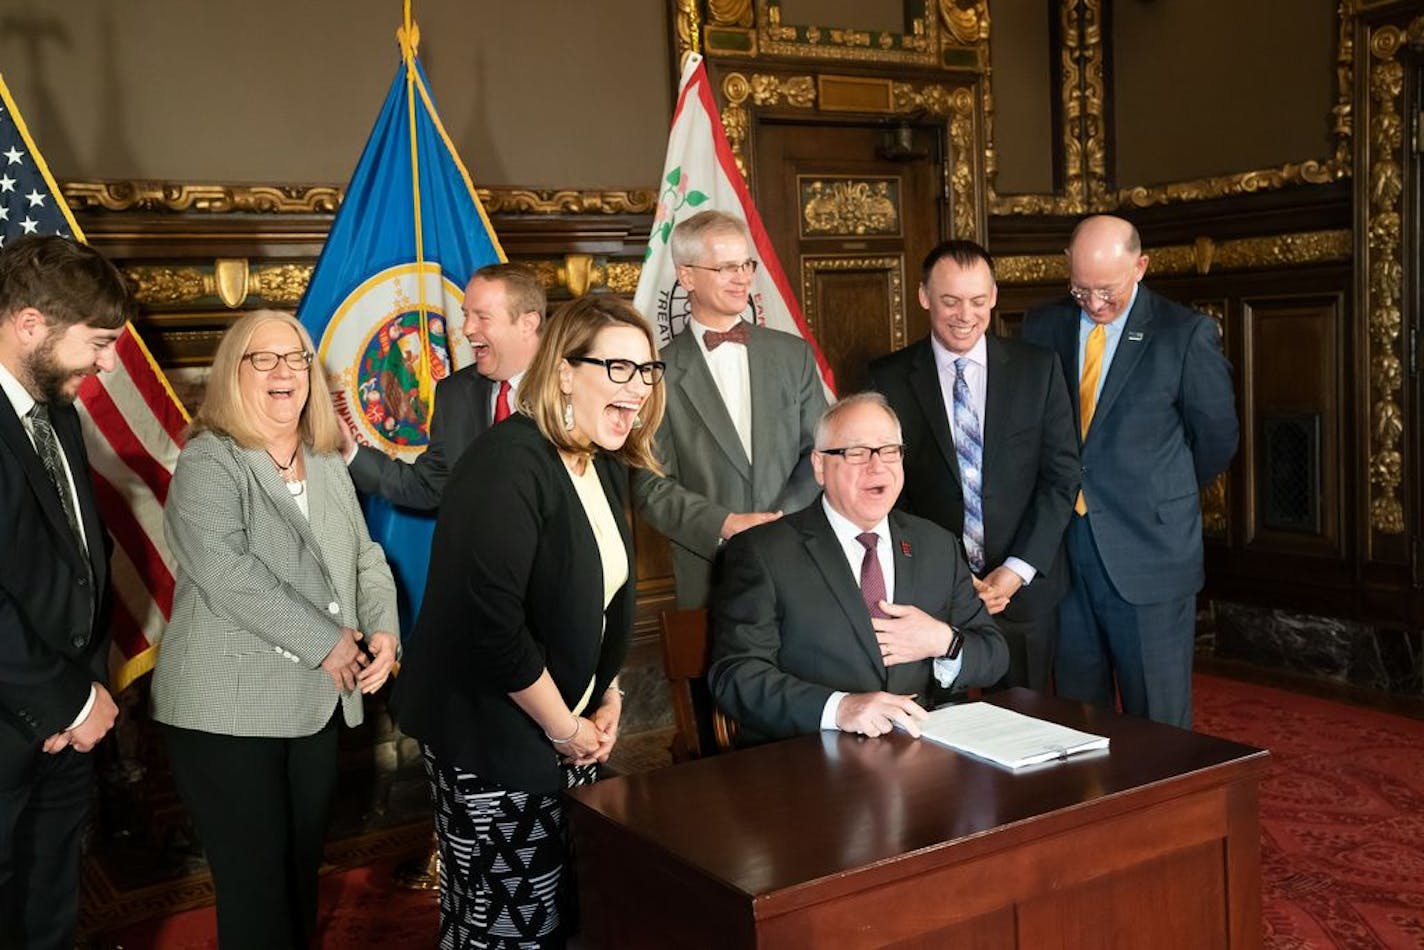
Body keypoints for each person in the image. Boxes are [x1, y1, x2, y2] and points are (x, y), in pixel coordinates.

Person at [395, 294, 666, 948]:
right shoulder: (508, 463)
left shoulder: (600, 461)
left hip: (563, 727)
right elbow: (494, 628)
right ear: (565, 371)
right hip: (491, 735)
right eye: (619, 369)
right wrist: (565, 726)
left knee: (561, 914)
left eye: (648, 371)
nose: (638, 389)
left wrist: (609, 697)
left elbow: (601, 602)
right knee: (507, 927)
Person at [152, 309, 400, 949]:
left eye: (296, 358)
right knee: (256, 887)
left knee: (296, 876)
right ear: (235, 372)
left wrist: (385, 632)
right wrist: (329, 642)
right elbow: (227, 572)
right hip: (225, 712)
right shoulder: (211, 460)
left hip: (313, 708)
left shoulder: (324, 460)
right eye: (265, 358)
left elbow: (365, 557)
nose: (285, 371)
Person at [1022, 215, 1238, 729]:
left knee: (1157, 722)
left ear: (1140, 267)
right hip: (1065, 551)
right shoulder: (1041, 326)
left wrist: (1159, 494)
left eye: (1107, 292)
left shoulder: (1184, 334)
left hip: (1149, 551)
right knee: (1077, 717)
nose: (1094, 305)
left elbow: (1216, 438)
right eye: (1080, 290)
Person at [708, 392, 1009, 746]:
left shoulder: (936, 545)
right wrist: (840, 708)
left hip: (921, 758)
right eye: (857, 452)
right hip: (810, 759)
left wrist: (944, 641)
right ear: (819, 466)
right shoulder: (762, 551)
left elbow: (994, 654)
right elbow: (736, 675)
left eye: (889, 451)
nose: (877, 466)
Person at [870, 240, 1078, 691]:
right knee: (939, 743)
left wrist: (1018, 568)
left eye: (978, 301)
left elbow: (1061, 478)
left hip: (1025, 591)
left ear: (994, 297)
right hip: (931, 591)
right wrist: (949, 570)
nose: (965, 314)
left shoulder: (1038, 369)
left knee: (1029, 729)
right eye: (950, 301)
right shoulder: (886, 379)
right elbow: (885, 490)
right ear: (924, 297)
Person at [0, 236, 129, 950]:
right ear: (30, 326)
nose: (108, 363)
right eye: (100, 343)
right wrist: (67, 701)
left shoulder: (58, 412)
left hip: (69, 730)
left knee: (49, 919)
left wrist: (84, 697)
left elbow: (82, 563)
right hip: (16, 727)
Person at [633, 209, 828, 609]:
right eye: (725, 268)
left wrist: (780, 520)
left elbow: (821, 454)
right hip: (710, 574)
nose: (742, 278)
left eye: (746, 264)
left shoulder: (793, 356)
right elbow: (650, 487)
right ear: (686, 276)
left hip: (801, 561)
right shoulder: (656, 373)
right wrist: (726, 524)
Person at [345, 263, 545, 508]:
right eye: (466, 315)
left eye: (482, 317)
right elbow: (428, 485)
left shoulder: (574, 389)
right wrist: (348, 451)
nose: (467, 329)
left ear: (528, 324)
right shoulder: (455, 393)